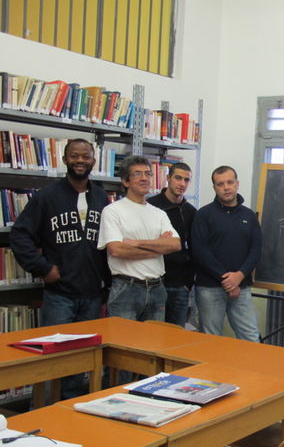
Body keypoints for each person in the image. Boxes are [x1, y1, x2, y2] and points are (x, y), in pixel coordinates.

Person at [9, 138, 109, 398]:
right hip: (59, 296)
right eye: (74, 156)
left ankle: (68, 410)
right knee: (51, 361)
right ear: (65, 160)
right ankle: (43, 410)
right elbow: (20, 235)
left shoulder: (101, 197)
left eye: (85, 156)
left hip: (92, 296)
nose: (80, 161)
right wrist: (42, 268)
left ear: (93, 161)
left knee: (80, 361)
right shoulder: (47, 197)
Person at [97, 155, 181, 321]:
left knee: (154, 338)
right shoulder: (112, 211)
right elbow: (117, 250)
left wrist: (137, 243)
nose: (144, 178)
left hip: (157, 288)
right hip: (126, 288)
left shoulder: (159, 213)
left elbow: (175, 245)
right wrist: (159, 247)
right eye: (137, 174)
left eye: (148, 174)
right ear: (125, 181)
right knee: (123, 338)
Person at [191, 165, 262, 341]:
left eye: (230, 182)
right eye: (220, 184)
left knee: (251, 338)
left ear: (237, 184)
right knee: (211, 339)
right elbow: (200, 251)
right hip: (210, 288)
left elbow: (256, 250)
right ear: (214, 188)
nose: (226, 187)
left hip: (241, 287)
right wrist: (227, 280)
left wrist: (239, 276)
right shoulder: (203, 215)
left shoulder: (249, 216)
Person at [147, 162, 197, 327]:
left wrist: (188, 283)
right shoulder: (150, 206)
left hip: (180, 285)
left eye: (186, 180)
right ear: (168, 178)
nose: (182, 184)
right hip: (155, 283)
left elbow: (195, 248)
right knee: (153, 333)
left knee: (176, 334)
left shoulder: (191, 212)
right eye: (178, 178)